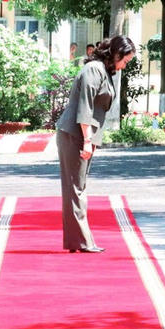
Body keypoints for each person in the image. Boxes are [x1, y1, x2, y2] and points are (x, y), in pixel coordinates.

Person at [57, 35, 136, 253]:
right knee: (76, 188)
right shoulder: (94, 69)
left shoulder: (103, 71)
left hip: (82, 135)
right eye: (125, 61)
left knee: (78, 187)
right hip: (76, 134)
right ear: (116, 54)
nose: (124, 66)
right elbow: (85, 108)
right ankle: (82, 241)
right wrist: (87, 141)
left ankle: (78, 240)